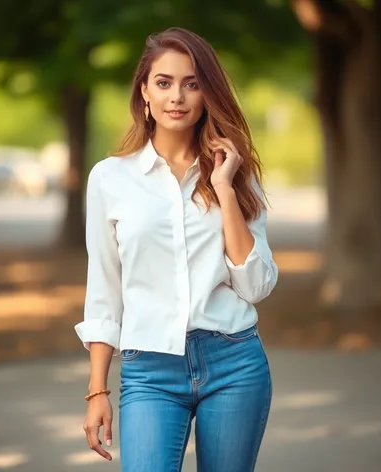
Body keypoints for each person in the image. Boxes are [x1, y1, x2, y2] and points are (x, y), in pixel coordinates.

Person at [75, 26, 278, 472]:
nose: (177, 96)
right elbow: (104, 291)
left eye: (192, 83)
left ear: (207, 93)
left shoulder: (236, 175)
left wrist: (224, 190)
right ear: (144, 91)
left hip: (233, 362)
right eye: (164, 82)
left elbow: (256, 284)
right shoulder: (110, 179)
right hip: (150, 370)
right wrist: (97, 390)